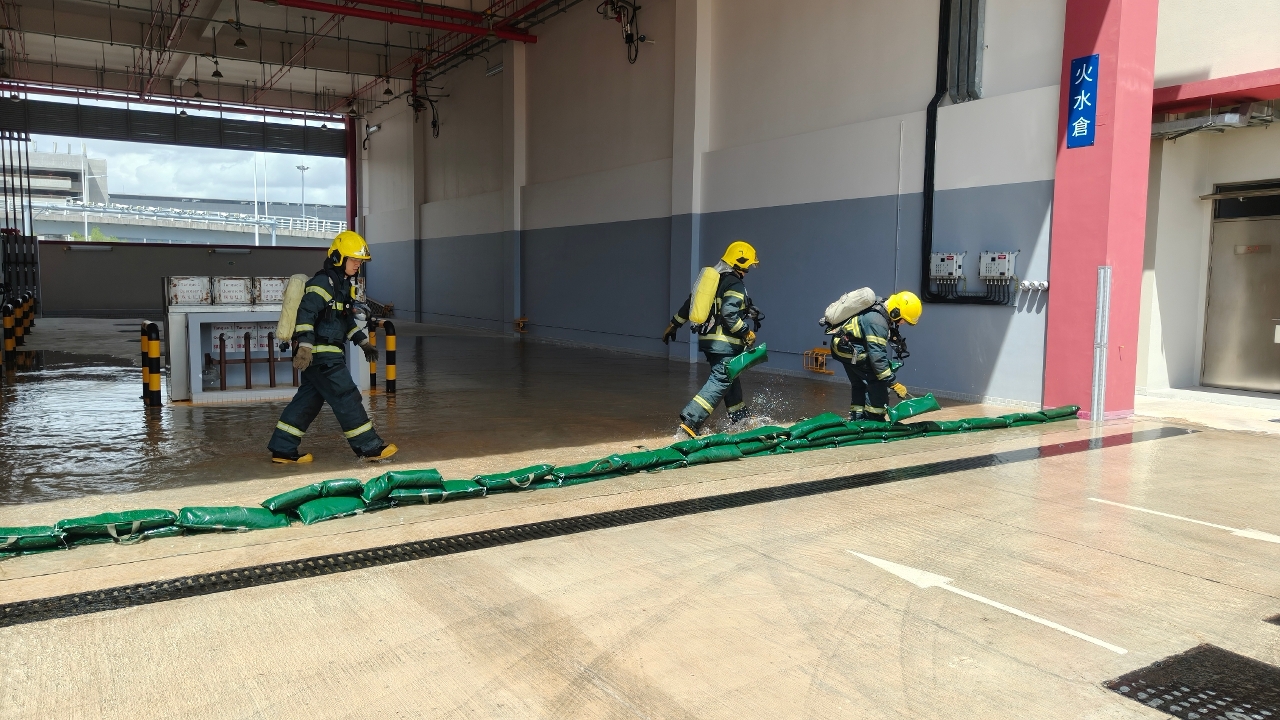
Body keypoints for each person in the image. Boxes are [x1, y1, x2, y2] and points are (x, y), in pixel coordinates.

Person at [267, 230, 398, 463]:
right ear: (338, 258)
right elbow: (306, 313)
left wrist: (364, 343)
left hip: (327, 354)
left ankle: (282, 448)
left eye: (360, 261)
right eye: (354, 259)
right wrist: (305, 346)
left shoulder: (341, 287)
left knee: (307, 402)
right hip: (322, 355)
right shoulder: (322, 283)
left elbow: (344, 321)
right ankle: (369, 447)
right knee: (346, 396)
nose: (358, 265)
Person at [663, 240, 762, 438]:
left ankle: (741, 418)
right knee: (721, 378)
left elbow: (689, 305)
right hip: (725, 342)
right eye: (747, 267)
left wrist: (674, 324)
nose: (746, 272)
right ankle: (691, 421)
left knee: (730, 376)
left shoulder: (713, 282)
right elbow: (729, 313)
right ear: (739, 263)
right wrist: (746, 332)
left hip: (709, 340)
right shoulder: (734, 283)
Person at [829, 291, 921, 421]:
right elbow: (877, 358)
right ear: (895, 312)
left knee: (860, 384)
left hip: (843, 347)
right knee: (878, 382)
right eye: (903, 320)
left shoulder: (880, 307)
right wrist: (893, 383)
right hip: (851, 350)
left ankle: (857, 418)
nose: (902, 323)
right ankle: (874, 420)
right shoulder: (877, 322)